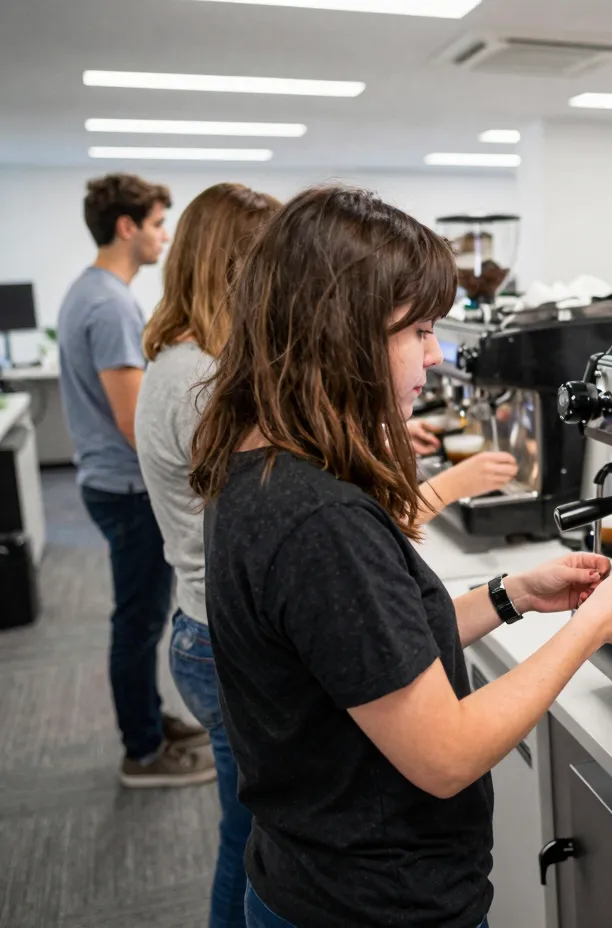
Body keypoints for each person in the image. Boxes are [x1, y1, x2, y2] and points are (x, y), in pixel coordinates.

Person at [188, 185, 612, 928]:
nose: (434, 354)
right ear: (338, 332)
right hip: (369, 906)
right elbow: (445, 754)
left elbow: (367, 655)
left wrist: (512, 595)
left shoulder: (263, 464)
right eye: (416, 329)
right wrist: (595, 626)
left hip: (310, 875)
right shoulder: (320, 518)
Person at [135, 182, 281, 927]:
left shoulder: (178, 361)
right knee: (252, 839)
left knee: (246, 829)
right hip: (223, 642)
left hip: (199, 629)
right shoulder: (204, 383)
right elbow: (276, 510)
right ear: (237, 267)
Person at [57, 173, 214, 786]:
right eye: (155, 224)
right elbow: (135, 424)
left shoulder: (89, 291)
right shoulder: (112, 304)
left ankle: (149, 720)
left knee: (141, 616)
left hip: (107, 483)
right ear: (127, 227)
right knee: (140, 621)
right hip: (126, 489)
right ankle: (143, 750)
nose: (164, 237)